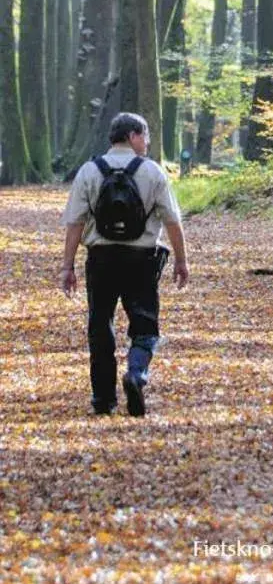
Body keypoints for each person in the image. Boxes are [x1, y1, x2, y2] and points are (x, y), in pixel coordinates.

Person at [61, 112, 189, 418]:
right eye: (145, 136)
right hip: (141, 261)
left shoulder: (89, 171)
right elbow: (172, 221)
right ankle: (136, 374)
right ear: (132, 135)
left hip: (101, 259)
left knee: (100, 327)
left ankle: (103, 400)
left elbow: (75, 223)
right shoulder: (152, 172)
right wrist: (181, 261)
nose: (147, 142)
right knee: (145, 327)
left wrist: (67, 266)